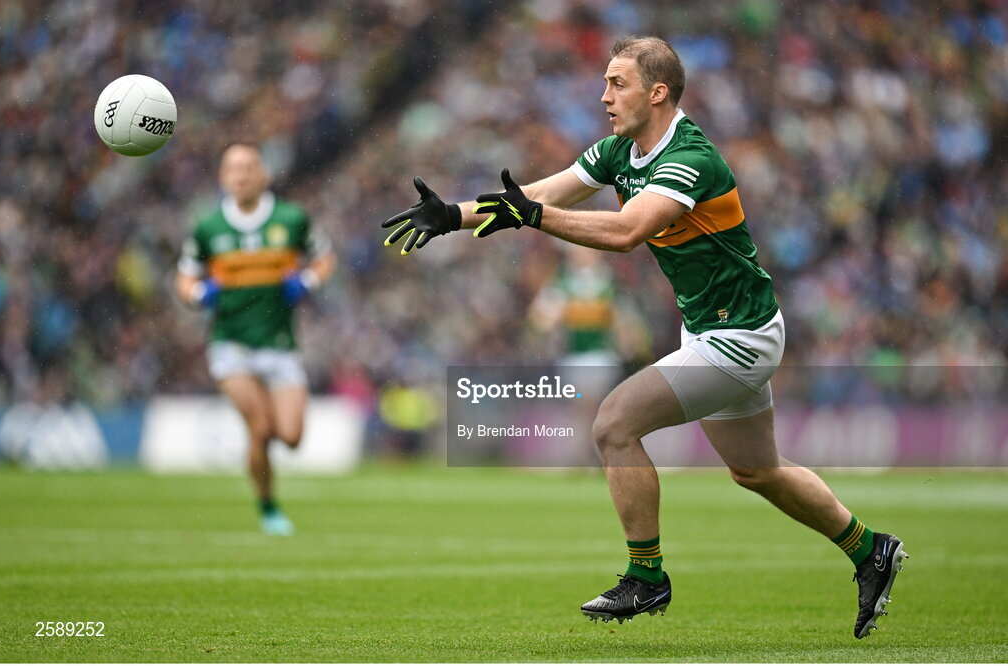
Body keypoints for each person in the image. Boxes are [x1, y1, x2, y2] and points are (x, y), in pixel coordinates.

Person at [381, 36, 907, 639]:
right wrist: (454, 215)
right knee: (757, 472)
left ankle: (646, 575)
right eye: (605, 83)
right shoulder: (619, 151)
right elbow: (539, 196)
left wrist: (534, 217)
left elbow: (627, 231)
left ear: (657, 93)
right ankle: (871, 549)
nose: (604, 96)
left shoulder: (690, 158)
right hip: (721, 329)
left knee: (613, 425)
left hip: (737, 338)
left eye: (617, 84)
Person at [176, 142, 334, 536]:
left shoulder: (291, 219)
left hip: (280, 344)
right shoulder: (208, 228)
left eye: (248, 168)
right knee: (260, 428)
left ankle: (264, 484)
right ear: (223, 178)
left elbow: (324, 257)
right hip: (232, 346)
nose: (242, 175)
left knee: (292, 437)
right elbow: (185, 277)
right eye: (234, 169)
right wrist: (199, 295)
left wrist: (307, 281)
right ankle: (268, 508)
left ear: (264, 175)